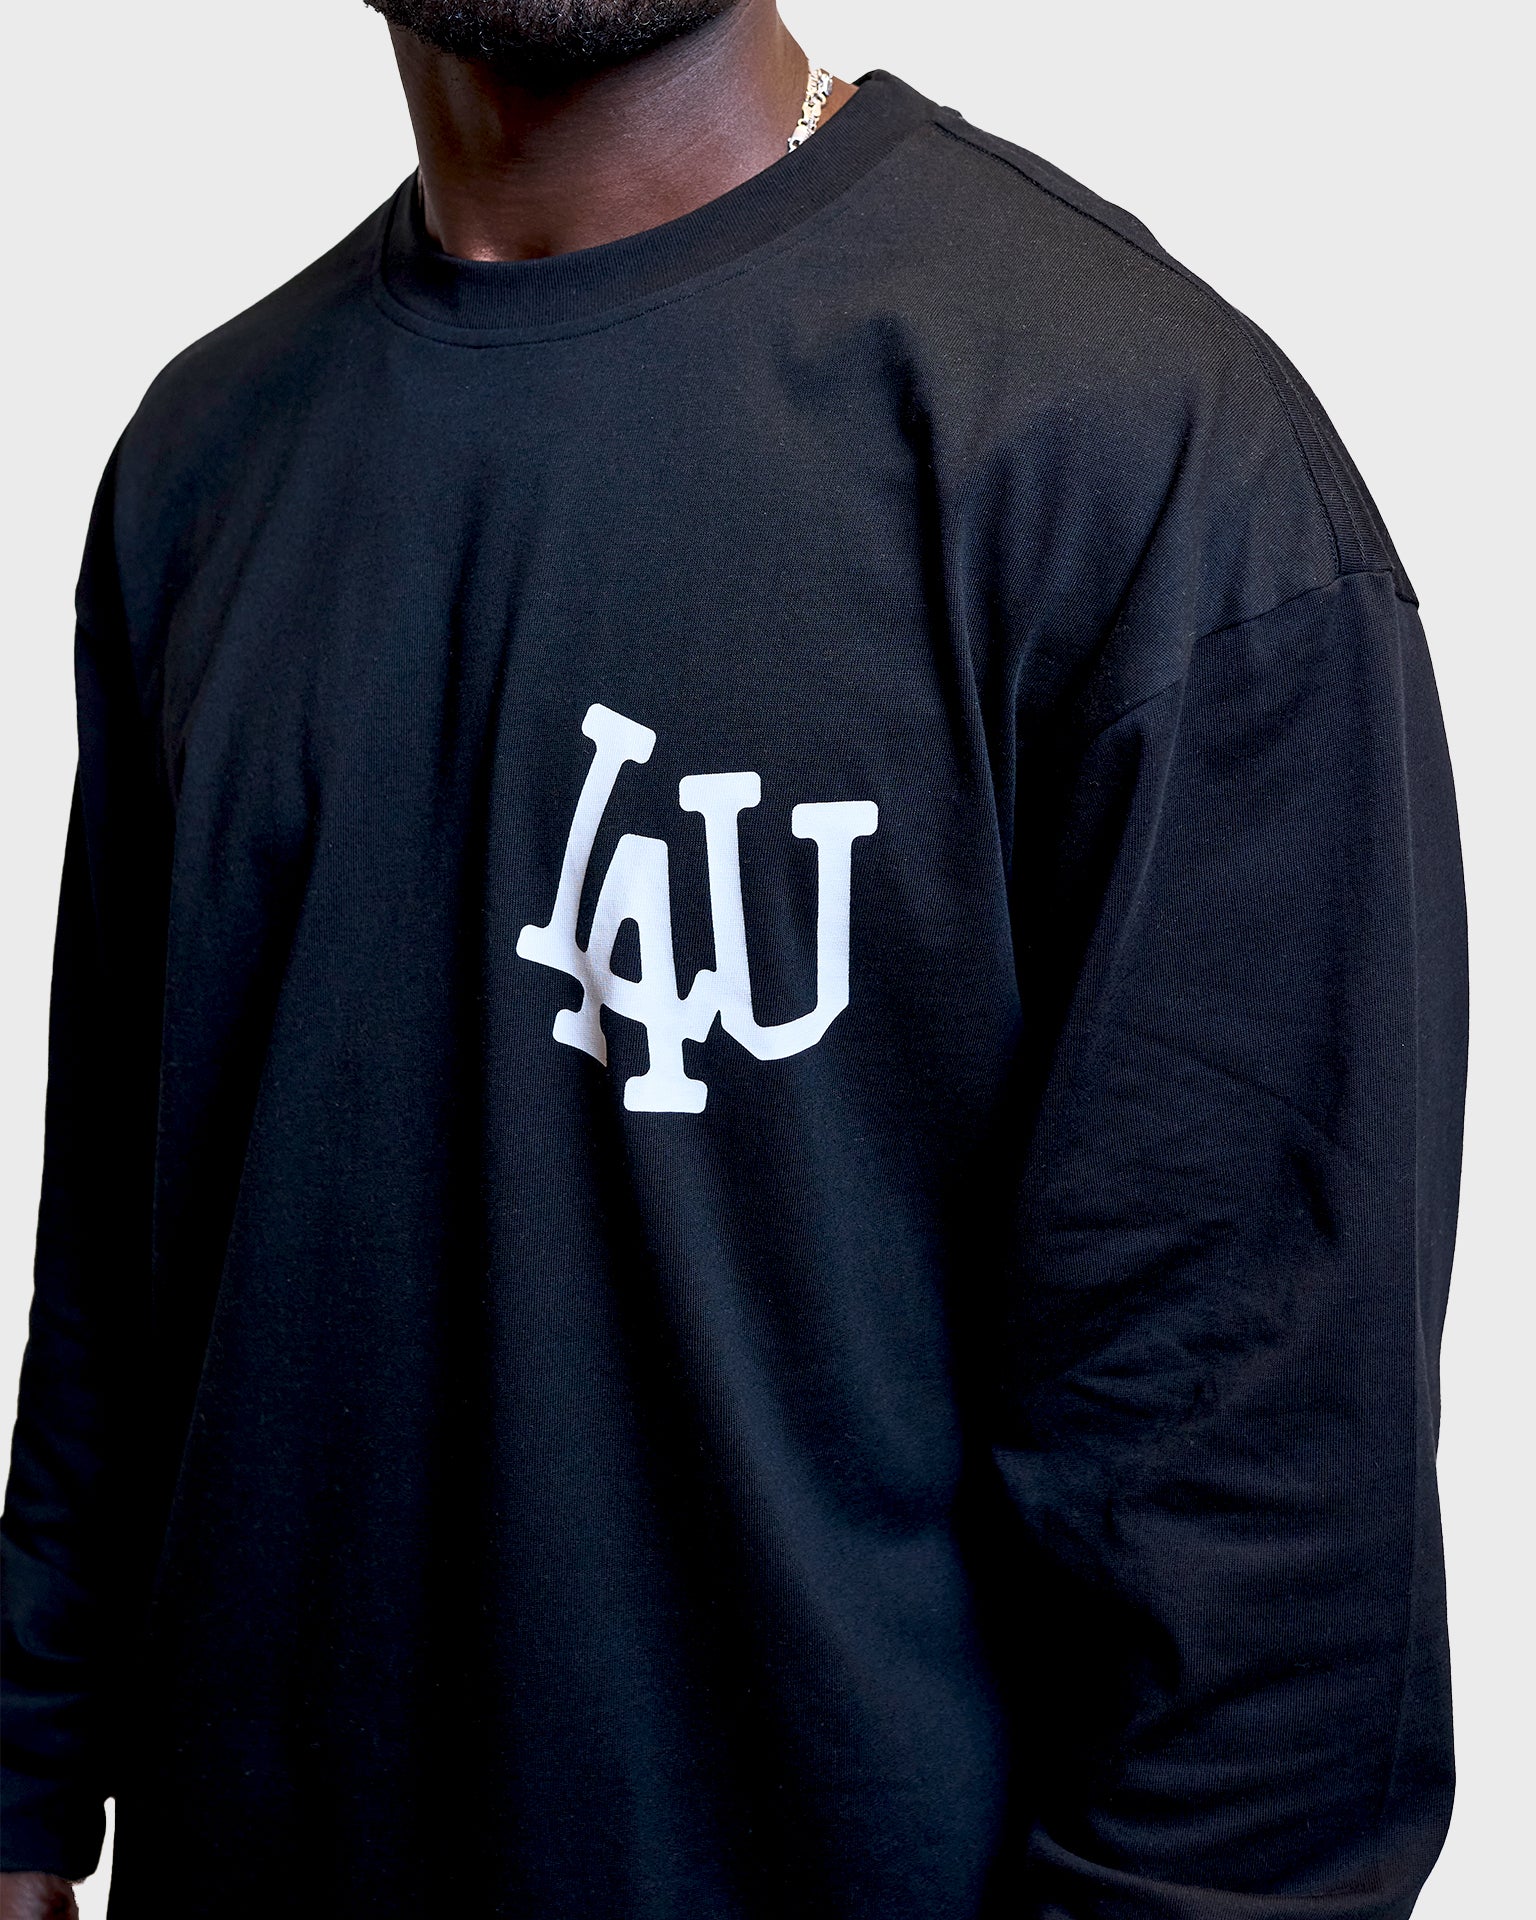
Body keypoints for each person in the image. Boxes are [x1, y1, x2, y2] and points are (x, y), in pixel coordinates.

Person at [0, 1, 1468, 1915]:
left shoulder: (1146, 466)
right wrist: (24, 1775)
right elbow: (122, 1255)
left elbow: (1264, 1619)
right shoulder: (200, 464)